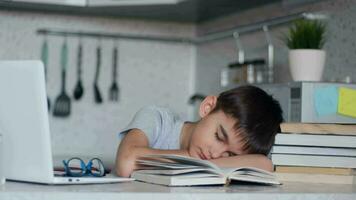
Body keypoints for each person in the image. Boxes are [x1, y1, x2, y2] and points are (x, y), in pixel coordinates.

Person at [115, 85, 283, 178]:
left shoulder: (215, 155)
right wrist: (195, 161)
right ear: (207, 107)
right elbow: (126, 162)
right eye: (219, 136)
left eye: (230, 155)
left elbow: (264, 164)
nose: (215, 154)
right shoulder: (157, 119)